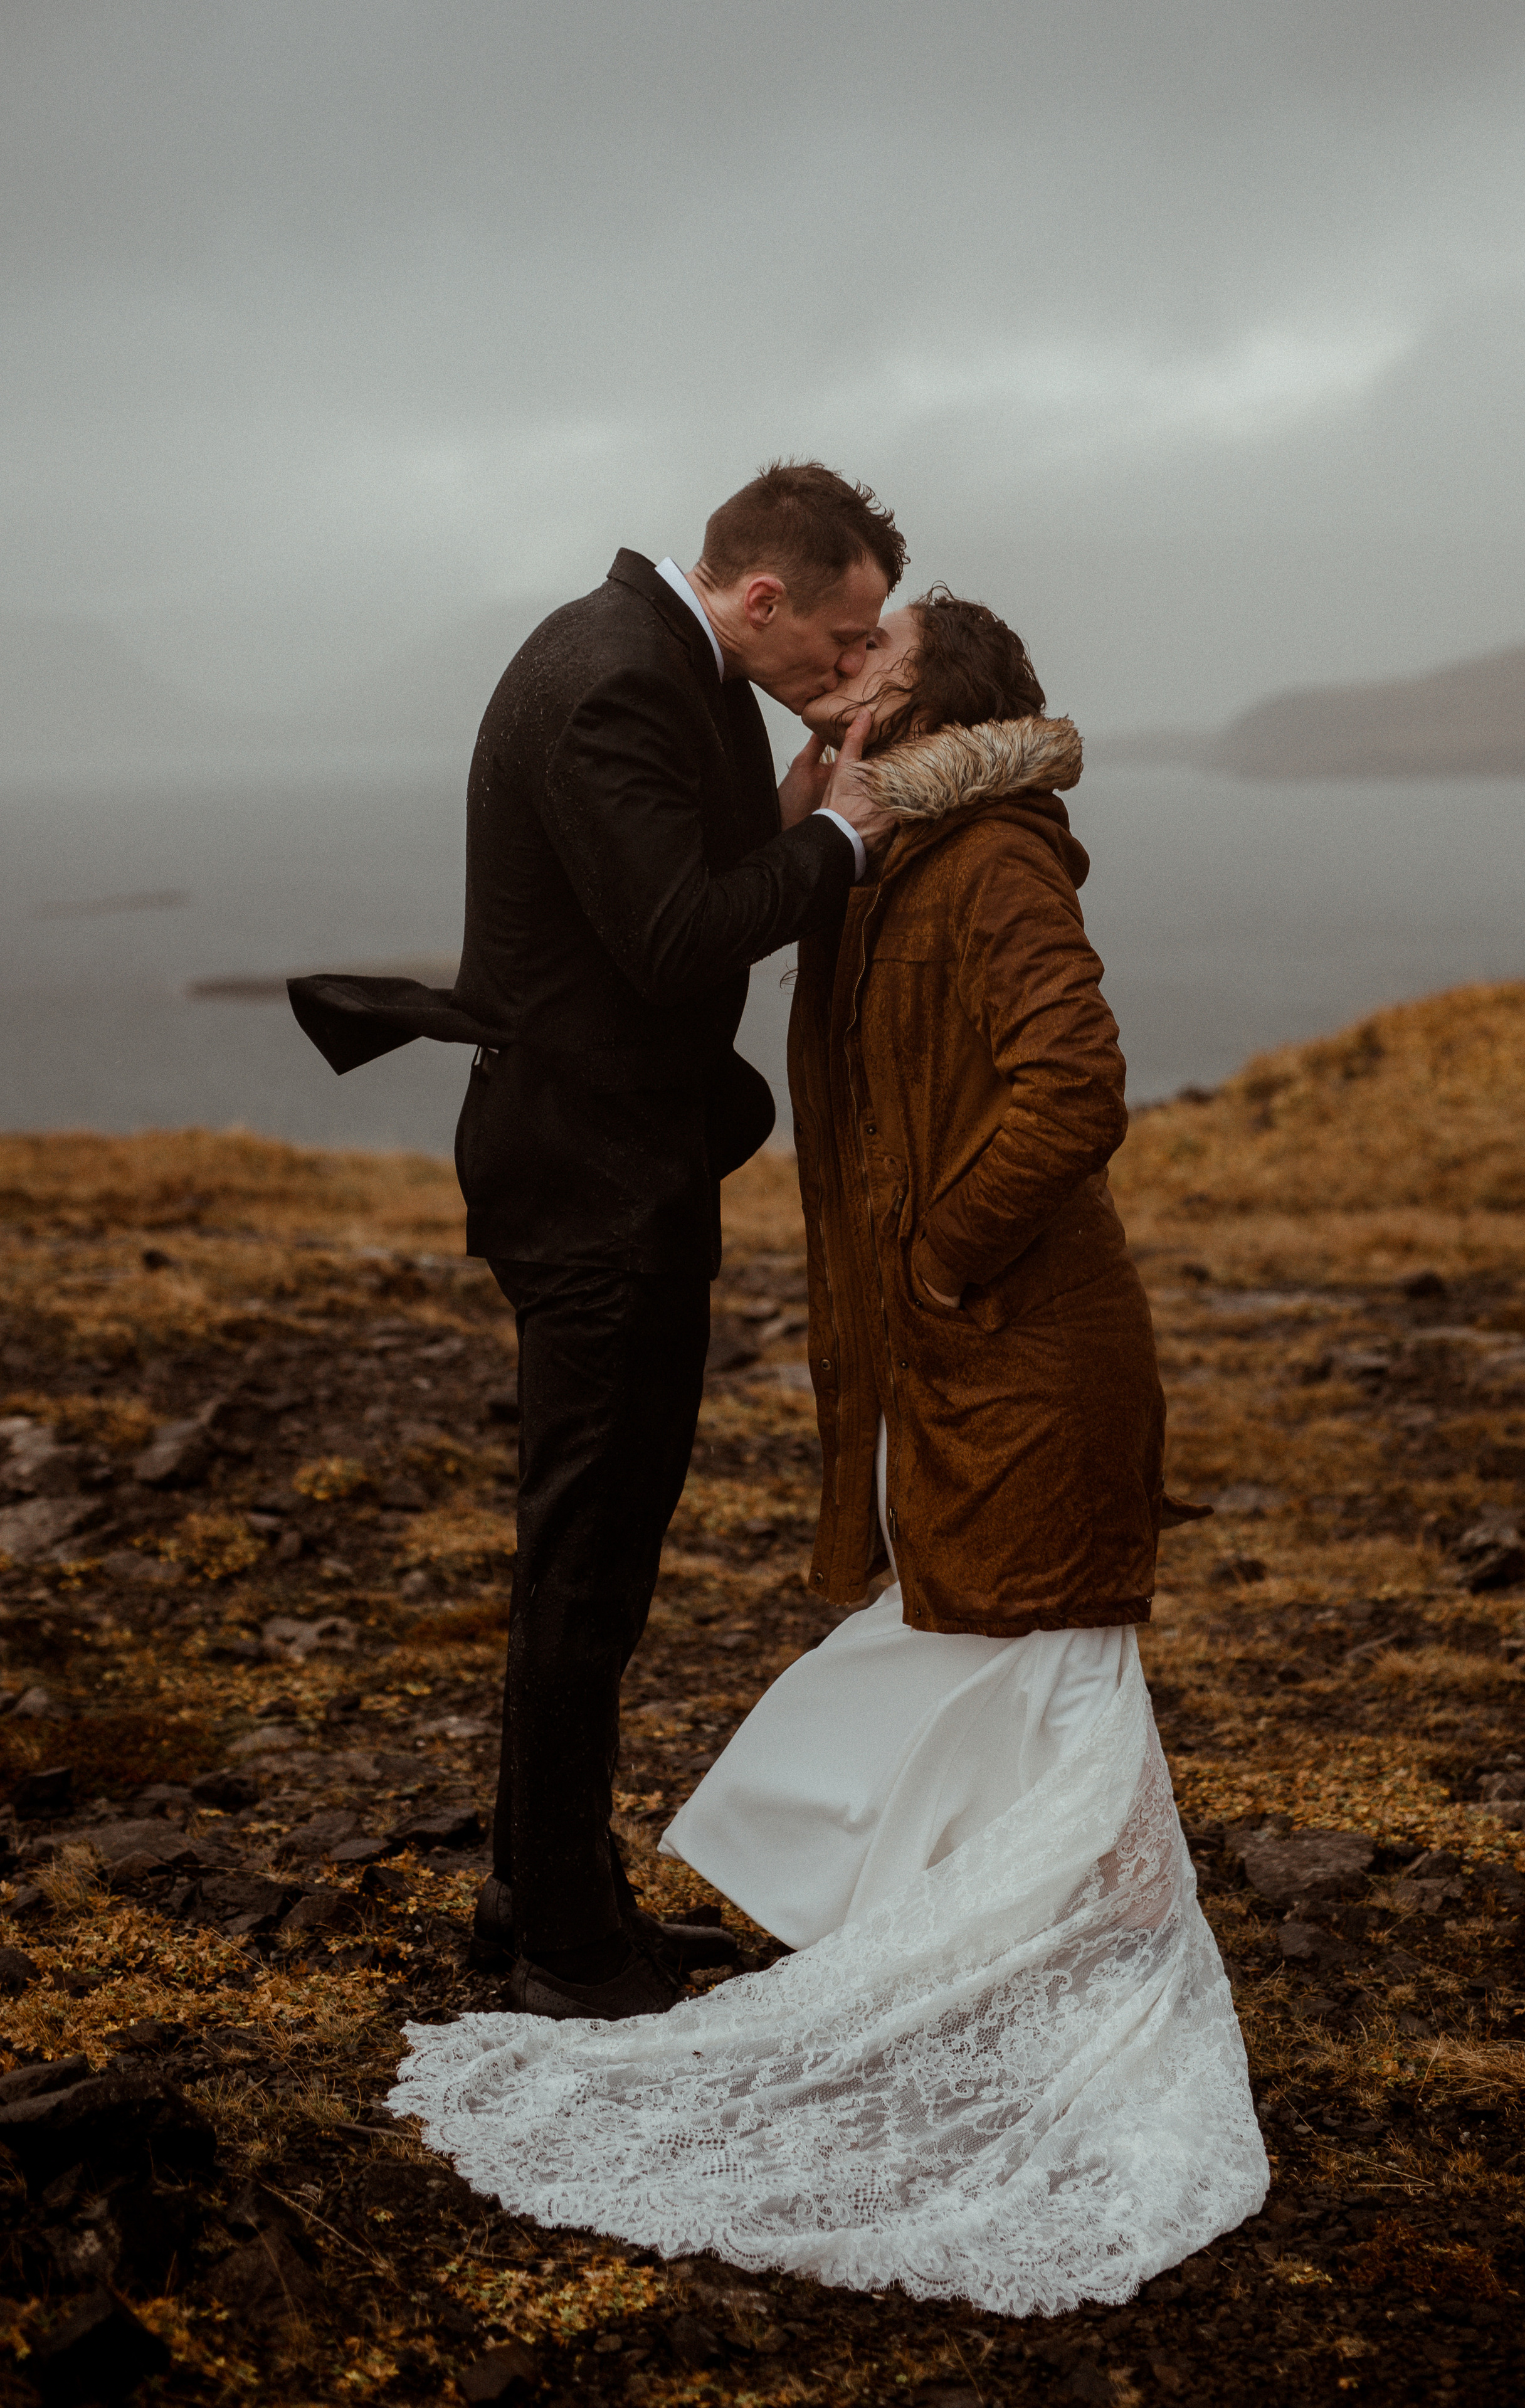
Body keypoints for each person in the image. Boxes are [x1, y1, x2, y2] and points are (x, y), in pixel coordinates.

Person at [389, 591, 1269, 2316]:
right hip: (957, 1361)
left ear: (930, 706)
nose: (842, 672)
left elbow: (1071, 1082)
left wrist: (937, 1253)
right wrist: (810, 816)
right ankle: (1011, 1981)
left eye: (880, 660)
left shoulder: (995, 861)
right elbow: (696, 925)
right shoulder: (901, 857)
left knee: (1046, 1677)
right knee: (987, 1665)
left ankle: (1072, 2007)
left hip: (1017, 1350)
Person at [291, 462, 906, 2020]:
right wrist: (846, 836)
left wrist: (820, 770)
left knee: (603, 1556)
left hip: (621, 1158)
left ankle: (540, 1886)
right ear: (761, 598)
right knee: (586, 1561)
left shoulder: (672, 664)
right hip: (585, 1176)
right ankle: (563, 1939)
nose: (847, 663)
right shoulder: (611, 683)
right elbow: (675, 939)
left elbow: (696, 873)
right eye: (841, 638)